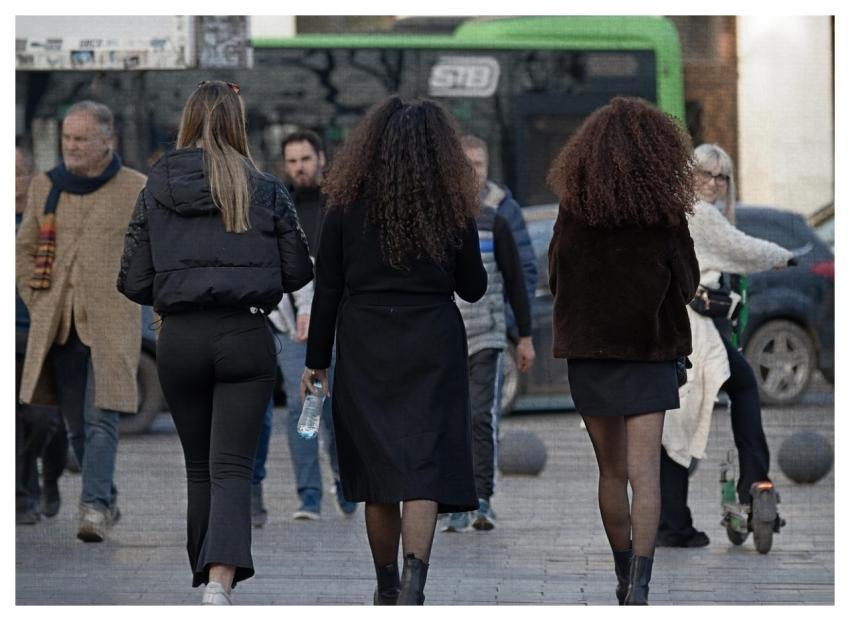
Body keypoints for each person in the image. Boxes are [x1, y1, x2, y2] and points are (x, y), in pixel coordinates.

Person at [117, 80, 313, 604]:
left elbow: (132, 280)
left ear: (186, 122)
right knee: (232, 465)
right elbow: (297, 270)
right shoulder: (266, 188)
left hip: (180, 338)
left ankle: (205, 575)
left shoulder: (156, 186)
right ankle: (220, 580)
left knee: (199, 466)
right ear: (238, 125)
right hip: (245, 335)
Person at [303, 95, 487, 605]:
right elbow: (473, 287)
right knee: (423, 467)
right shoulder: (451, 204)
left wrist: (316, 360)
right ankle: (414, 585)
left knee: (377, 473)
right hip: (433, 338)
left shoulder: (344, 200)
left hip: (365, 342)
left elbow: (328, 288)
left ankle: (385, 587)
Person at [547, 97, 700, 605]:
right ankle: (640, 585)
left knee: (610, 473)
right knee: (644, 474)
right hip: (649, 356)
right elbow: (687, 284)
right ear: (659, 153)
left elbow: (555, 277)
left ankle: (620, 571)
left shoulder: (574, 209)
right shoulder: (664, 213)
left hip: (590, 357)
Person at [16, 101, 146, 542]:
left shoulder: (137, 189)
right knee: (74, 426)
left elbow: (152, 255)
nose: (70, 146)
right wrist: (37, 299)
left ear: (106, 140)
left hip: (111, 325)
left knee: (101, 417)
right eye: (67, 138)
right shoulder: (46, 186)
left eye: (80, 139)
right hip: (58, 327)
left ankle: (92, 509)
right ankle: (106, 496)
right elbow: (23, 249)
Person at [658, 143, 793, 548]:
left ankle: (674, 522)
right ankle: (753, 481)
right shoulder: (700, 213)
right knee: (741, 388)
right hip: (696, 331)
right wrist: (785, 256)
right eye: (705, 174)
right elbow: (744, 250)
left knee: (677, 419)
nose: (713, 183)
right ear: (690, 175)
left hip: (683, 327)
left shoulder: (677, 211)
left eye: (721, 177)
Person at [251, 129, 354, 526]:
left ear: (321, 158)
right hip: (293, 325)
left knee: (335, 410)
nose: (300, 167)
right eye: (292, 161)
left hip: (339, 323)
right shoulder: (281, 207)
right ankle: (308, 495)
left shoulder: (338, 205)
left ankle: (345, 484)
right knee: (302, 404)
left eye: (306, 159)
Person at [442, 182, 535, 533]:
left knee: (480, 415)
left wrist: (524, 336)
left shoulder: (494, 222)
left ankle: (482, 498)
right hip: (445, 339)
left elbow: (515, 282)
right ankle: (453, 500)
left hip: (487, 335)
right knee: (449, 421)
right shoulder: (432, 221)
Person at [15, 146, 68, 525]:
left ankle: (50, 477)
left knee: (44, 418)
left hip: (42, 332)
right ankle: (23, 495)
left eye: (19, 172)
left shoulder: (49, 216)